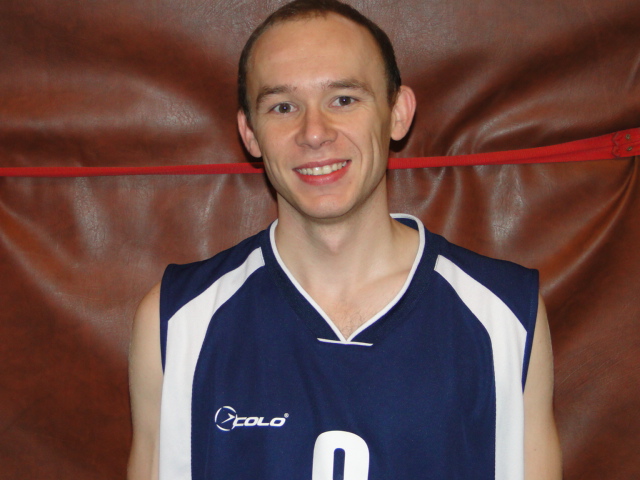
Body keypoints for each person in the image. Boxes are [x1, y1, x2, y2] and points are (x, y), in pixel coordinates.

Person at [128, 0, 562, 478]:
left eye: (344, 100)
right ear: (250, 133)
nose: (314, 133)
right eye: (283, 107)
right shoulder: (176, 321)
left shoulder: (504, 316)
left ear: (398, 113)